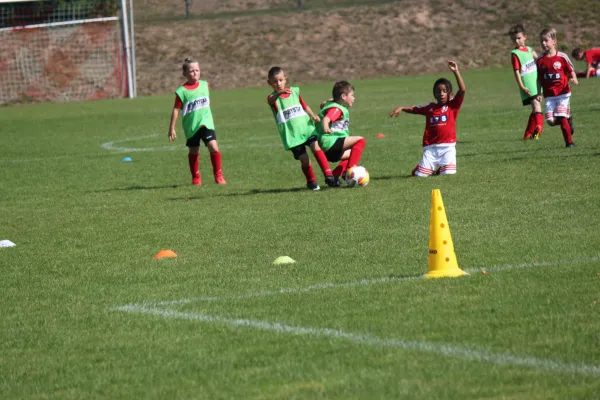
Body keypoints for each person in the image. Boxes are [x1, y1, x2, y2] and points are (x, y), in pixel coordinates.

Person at [388, 61, 466, 177]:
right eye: (438, 91)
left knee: (449, 174)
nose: (441, 94)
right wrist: (402, 108)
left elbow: (463, 90)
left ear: (450, 94)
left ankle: (440, 169)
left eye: (444, 91)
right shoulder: (430, 108)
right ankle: (420, 169)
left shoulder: (452, 106)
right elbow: (415, 109)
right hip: (431, 148)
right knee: (420, 175)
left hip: (447, 148)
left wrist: (456, 72)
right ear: (434, 94)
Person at [267, 66, 335, 191]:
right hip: (292, 135)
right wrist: (279, 93)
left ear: (285, 79)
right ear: (269, 83)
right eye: (275, 82)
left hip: (306, 128)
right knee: (305, 160)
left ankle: (329, 175)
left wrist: (313, 115)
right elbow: (271, 101)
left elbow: (304, 106)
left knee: (316, 147)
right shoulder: (272, 98)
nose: (278, 84)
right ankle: (311, 181)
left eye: (280, 80)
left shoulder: (294, 91)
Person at [168, 58, 226, 185]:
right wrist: (171, 128)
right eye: (191, 71)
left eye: (197, 70)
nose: (195, 73)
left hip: (206, 123)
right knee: (194, 151)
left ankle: (218, 175)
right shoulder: (181, 91)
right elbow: (176, 110)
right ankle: (196, 176)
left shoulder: (205, 85)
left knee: (213, 146)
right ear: (184, 74)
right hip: (191, 126)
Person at [316, 81, 366, 185]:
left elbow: (324, 104)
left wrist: (328, 102)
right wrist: (326, 127)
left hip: (328, 147)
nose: (354, 98)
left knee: (353, 154)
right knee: (360, 140)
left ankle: (334, 176)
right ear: (343, 96)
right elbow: (326, 119)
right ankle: (350, 170)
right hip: (331, 142)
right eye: (352, 95)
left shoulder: (335, 104)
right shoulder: (336, 109)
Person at [536, 28, 578, 148]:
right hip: (549, 95)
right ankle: (568, 120)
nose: (543, 43)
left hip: (563, 93)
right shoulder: (540, 60)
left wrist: (573, 78)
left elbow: (571, 70)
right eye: (541, 41)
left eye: (546, 41)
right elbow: (539, 79)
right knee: (550, 121)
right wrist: (539, 92)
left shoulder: (562, 57)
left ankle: (569, 142)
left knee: (560, 115)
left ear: (554, 41)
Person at [508, 24, 544, 140]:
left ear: (525, 37)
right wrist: (522, 86)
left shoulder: (529, 49)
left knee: (535, 109)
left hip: (536, 83)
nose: (517, 41)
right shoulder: (515, 54)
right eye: (514, 39)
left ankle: (527, 135)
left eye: (519, 38)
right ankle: (537, 132)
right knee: (537, 106)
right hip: (527, 85)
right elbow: (517, 72)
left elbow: (539, 60)